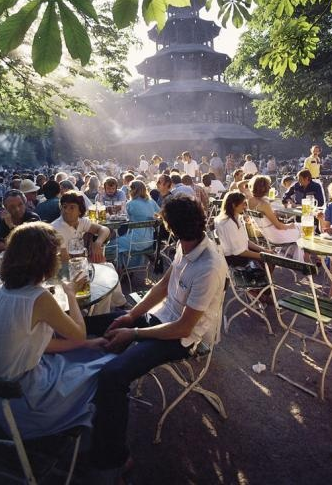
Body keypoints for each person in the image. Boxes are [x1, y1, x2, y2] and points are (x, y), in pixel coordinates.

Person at [86, 196, 227, 475]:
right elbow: (164, 285)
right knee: (95, 324)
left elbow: (184, 328)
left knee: (113, 376)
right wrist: (130, 315)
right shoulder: (187, 243)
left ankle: (114, 458)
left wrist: (134, 332)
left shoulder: (209, 265)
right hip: (161, 318)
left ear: (170, 227)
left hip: (180, 339)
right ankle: (71, 402)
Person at [0, 222, 115, 450]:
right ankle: (104, 452)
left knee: (84, 357)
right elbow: (78, 335)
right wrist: (70, 294)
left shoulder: (1, 292)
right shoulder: (38, 297)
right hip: (25, 404)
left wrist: (87, 345)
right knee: (108, 370)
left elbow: (39, 344)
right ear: (46, 260)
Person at [51, 190, 110, 263]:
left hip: (77, 266)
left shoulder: (81, 222)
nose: (66, 210)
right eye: (64, 207)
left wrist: (98, 243)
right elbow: (64, 260)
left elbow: (104, 229)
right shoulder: (56, 228)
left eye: (72, 207)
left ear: (80, 211)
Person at [215, 192, 271, 266]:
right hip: (234, 258)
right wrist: (264, 256)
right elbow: (239, 252)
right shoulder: (228, 223)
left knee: (269, 257)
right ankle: (262, 276)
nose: (245, 206)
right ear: (234, 205)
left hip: (241, 253)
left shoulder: (235, 218)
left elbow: (246, 241)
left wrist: (264, 250)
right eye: (243, 203)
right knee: (269, 261)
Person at [247, 175, 302, 251]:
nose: (270, 188)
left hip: (268, 235)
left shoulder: (250, 201)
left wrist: (272, 214)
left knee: (299, 226)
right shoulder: (264, 204)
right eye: (268, 186)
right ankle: (303, 258)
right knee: (303, 228)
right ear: (263, 188)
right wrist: (289, 226)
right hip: (277, 235)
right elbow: (278, 226)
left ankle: (294, 255)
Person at [115, 180, 159, 263]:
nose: (129, 191)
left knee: (114, 244)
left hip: (135, 240)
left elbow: (122, 218)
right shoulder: (151, 202)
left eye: (130, 189)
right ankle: (133, 267)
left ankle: (121, 268)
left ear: (133, 190)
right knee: (123, 240)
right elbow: (160, 214)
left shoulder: (130, 204)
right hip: (150, 240)